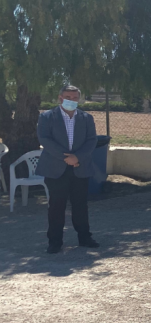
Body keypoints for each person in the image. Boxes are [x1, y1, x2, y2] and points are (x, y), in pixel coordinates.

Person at [37, 85, 100, 254]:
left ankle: (85, 238)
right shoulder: (47, 117)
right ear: (60, 98)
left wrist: (77, 157)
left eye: (74, 97)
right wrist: (67, 158)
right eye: (67, 97)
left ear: (78, 99)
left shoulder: (86, 118)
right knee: (57, 206)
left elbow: (91, 140)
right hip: (55, 168)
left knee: (80, 205)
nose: (71, 100)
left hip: (80, 167)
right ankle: (55, 242)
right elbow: (45, 139)